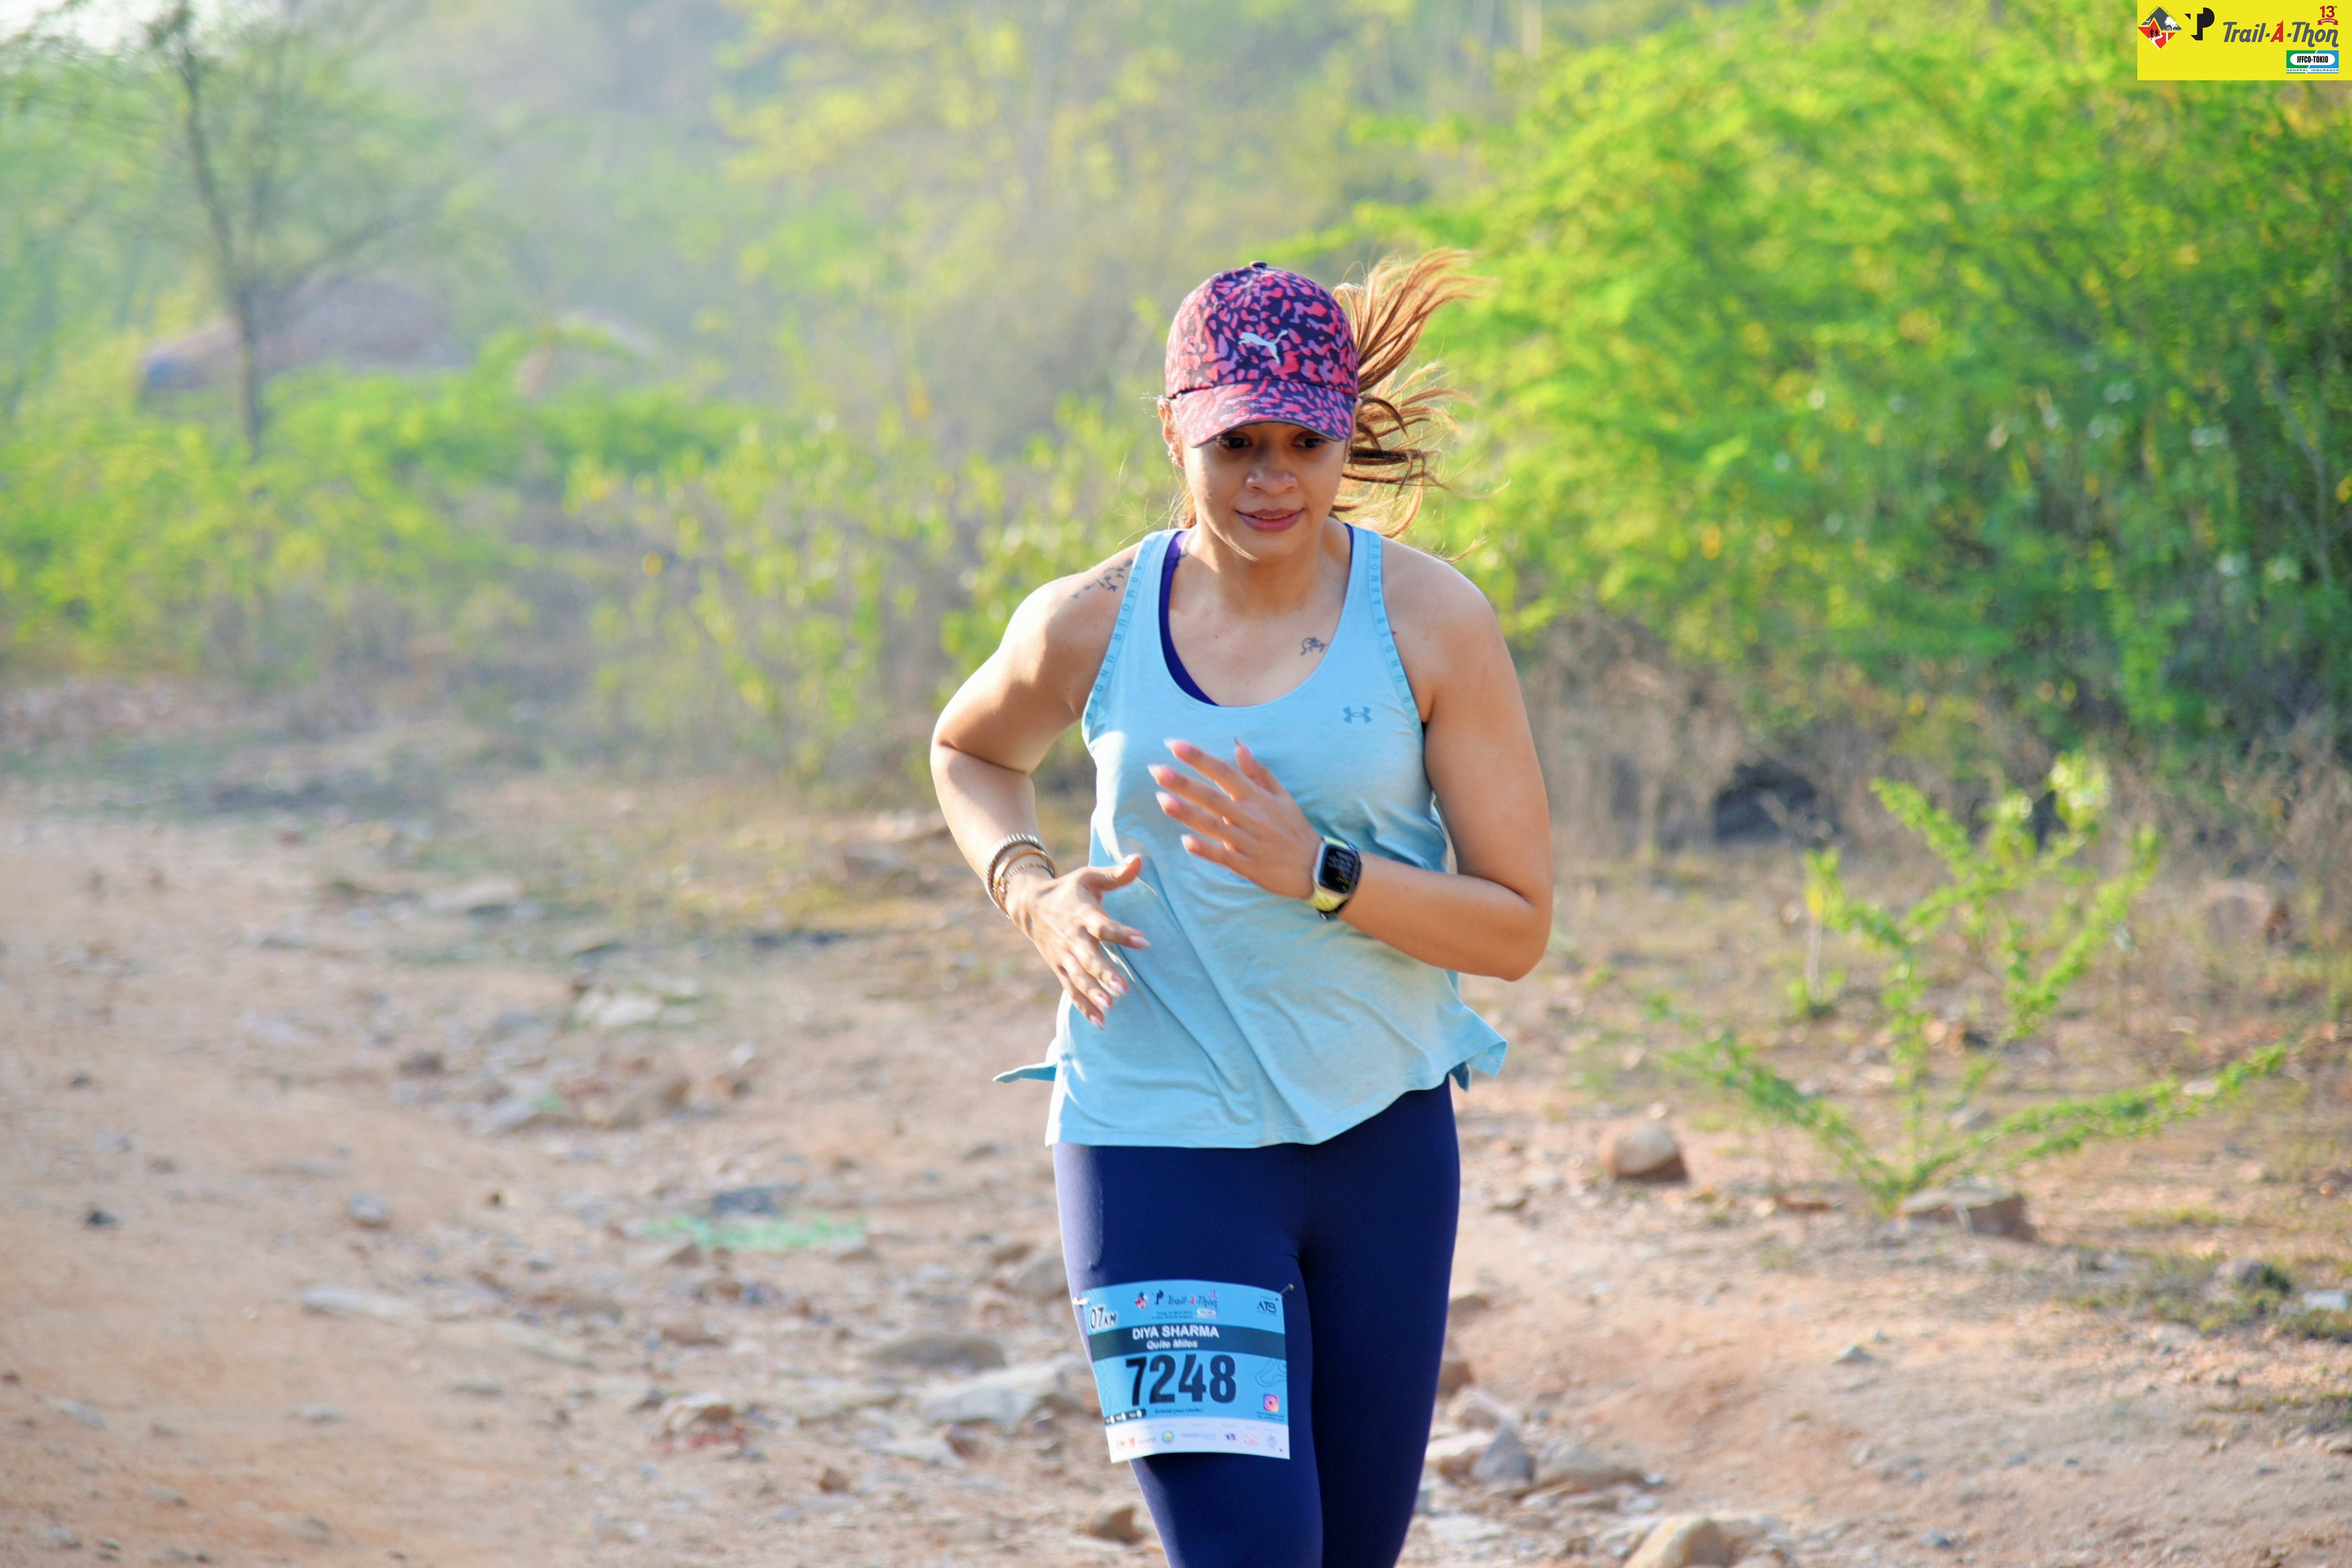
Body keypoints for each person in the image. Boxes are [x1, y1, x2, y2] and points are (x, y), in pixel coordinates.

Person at [930, 254, 1553, 1568]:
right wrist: (1031, 893)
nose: (1271, 477)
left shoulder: (1430, 621)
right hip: (1152, 1139)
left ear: (1344, 438)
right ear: (1175, 431)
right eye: (1236, 443)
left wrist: (1322, 870)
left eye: (1303, 442)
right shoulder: (1088, 621)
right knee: (1251, 1555)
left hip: (1380, 1139)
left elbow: (1514, 926)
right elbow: (970, 750)